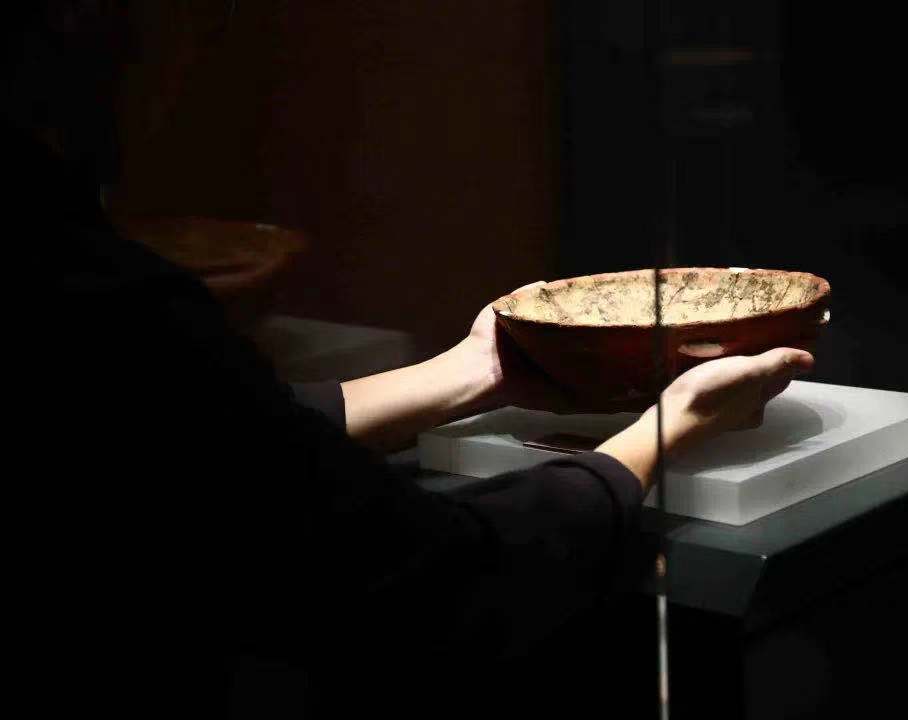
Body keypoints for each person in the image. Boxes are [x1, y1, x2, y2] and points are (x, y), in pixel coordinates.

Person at [9, 3, 813, 717]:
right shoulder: (96, 292)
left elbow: (210, 443)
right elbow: (432, 583)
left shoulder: (74, 271)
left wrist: (472, 373)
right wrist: (660, 434)